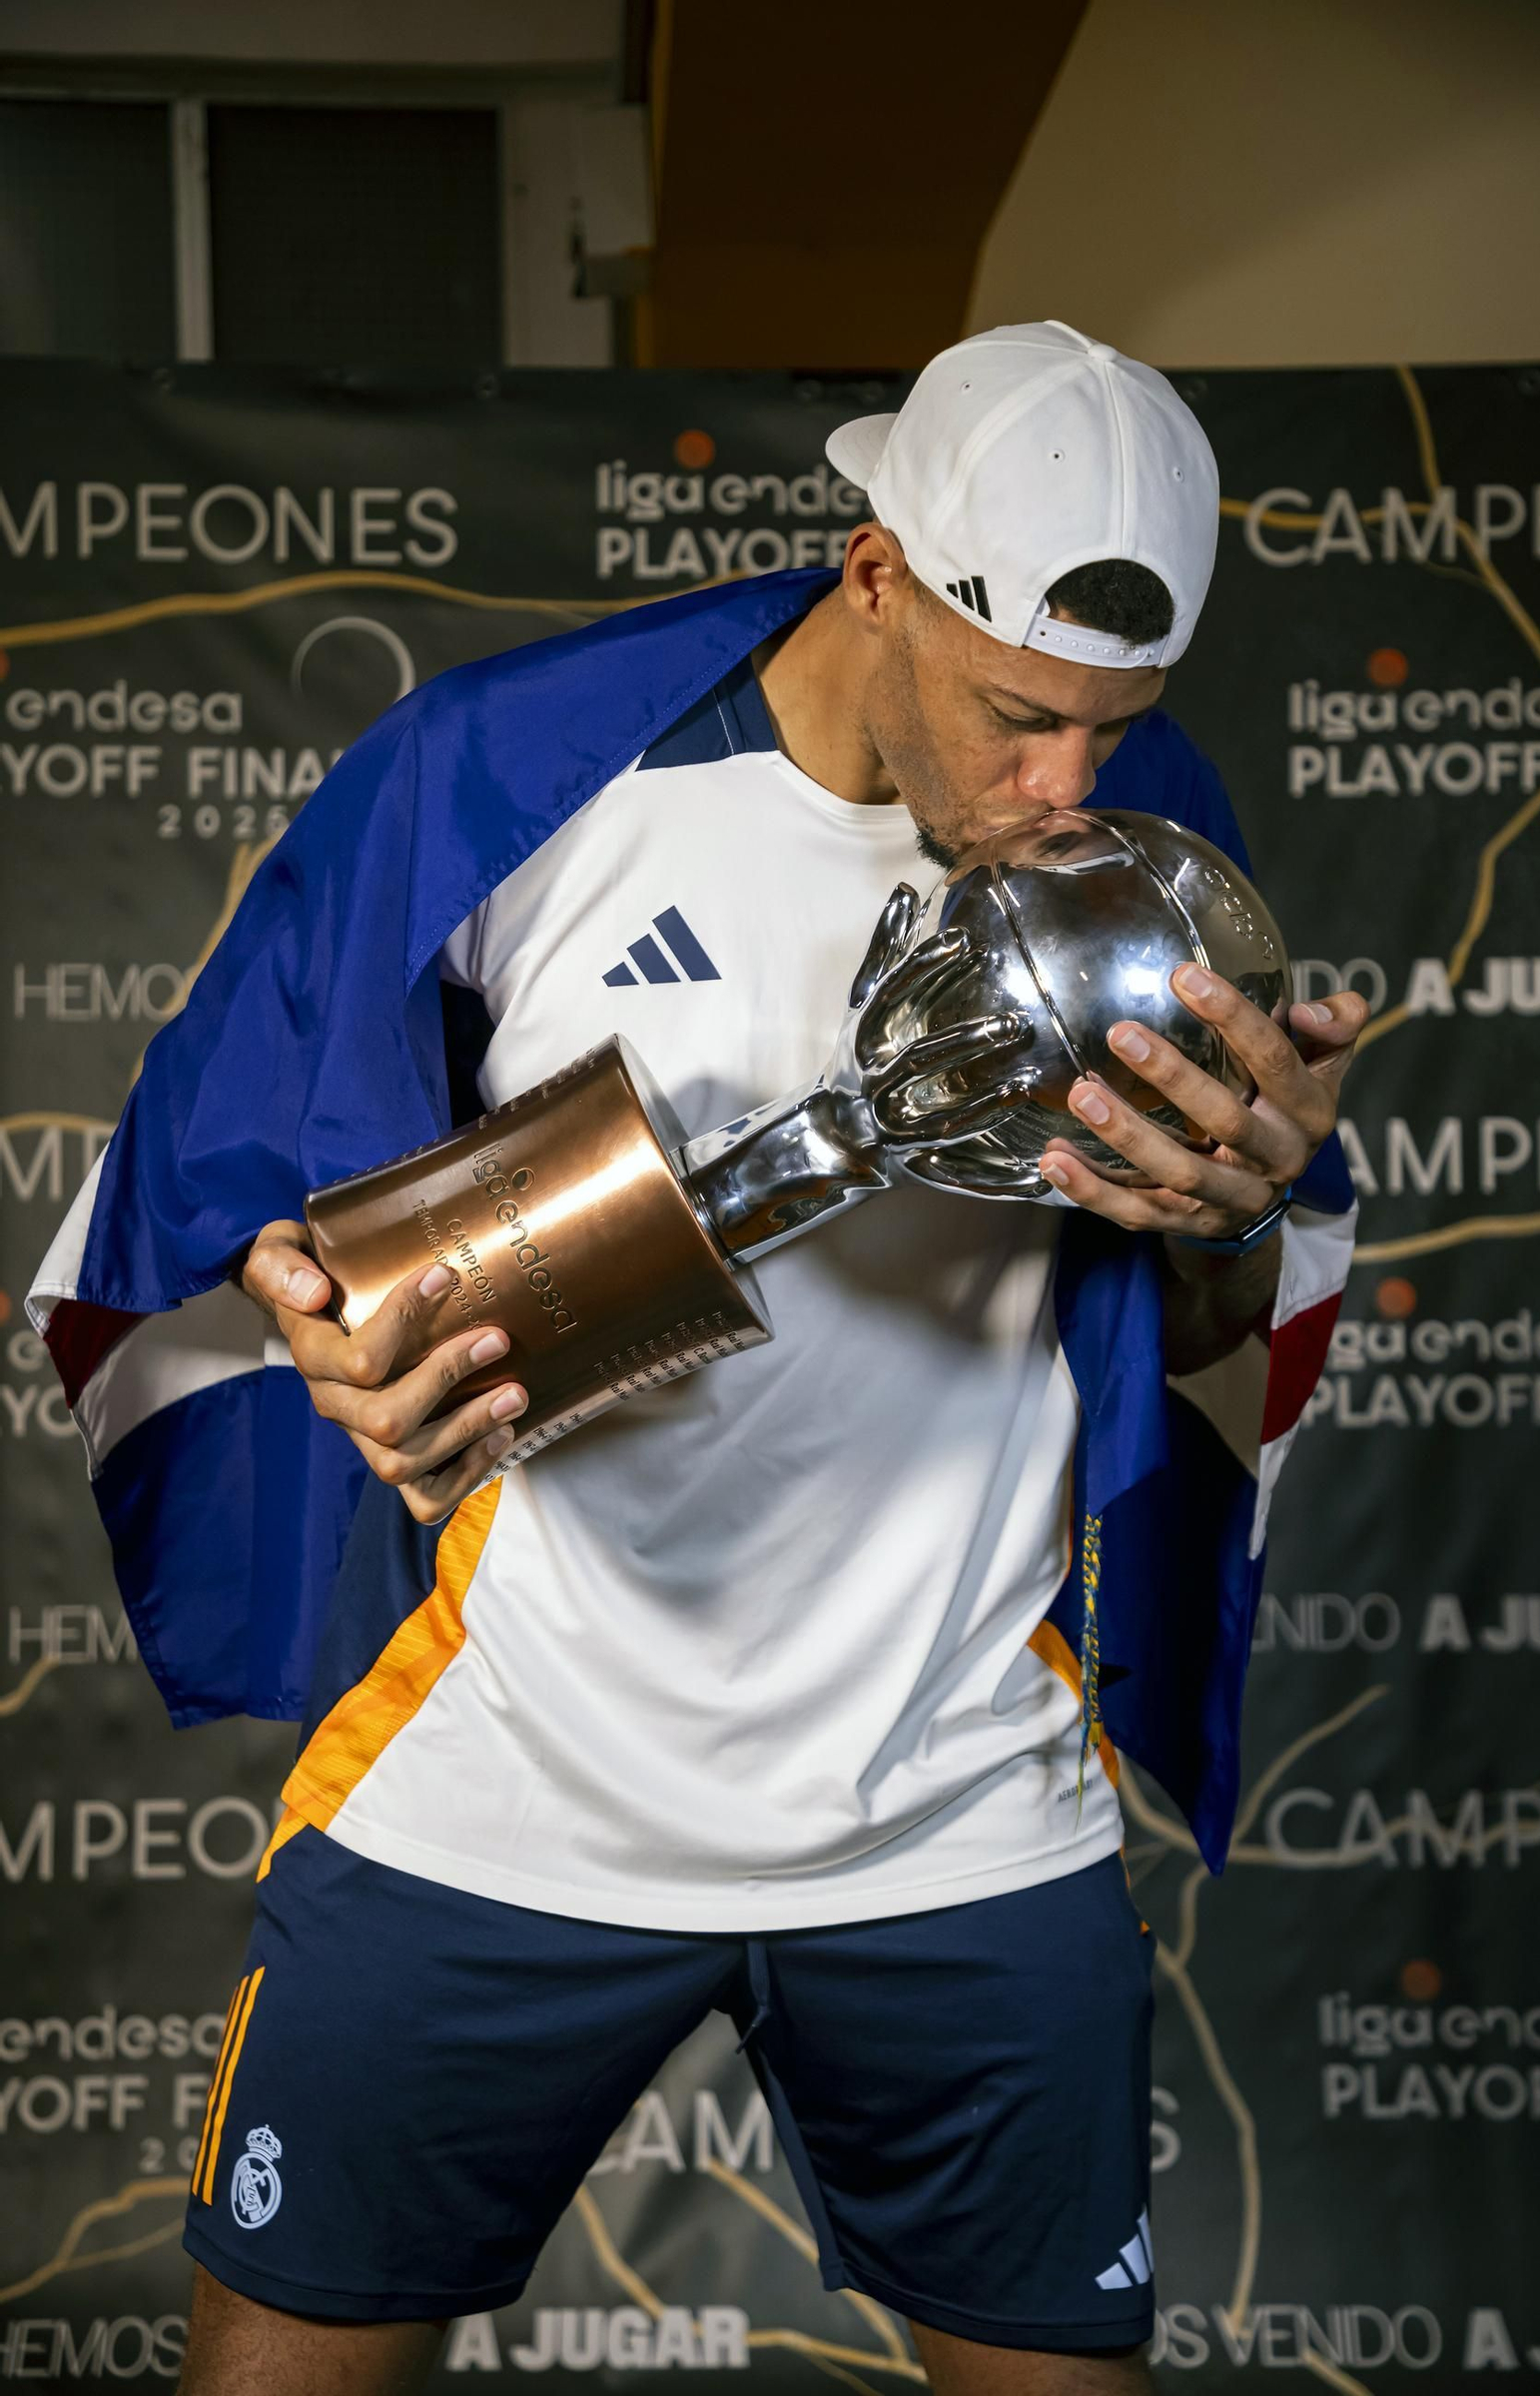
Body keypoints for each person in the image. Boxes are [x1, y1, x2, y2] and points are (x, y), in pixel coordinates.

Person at [31, 323, 1363, 2395]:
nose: (1063, 792)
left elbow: (1203, 1319)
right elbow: (247, 1184)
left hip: (951, 1794)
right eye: (1020, 719)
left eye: (1114, 731)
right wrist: (315, 1322)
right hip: (513, 1767)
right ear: (870, 576)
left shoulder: (1142, 847)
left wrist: (1238, 1216)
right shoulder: (513, 783)